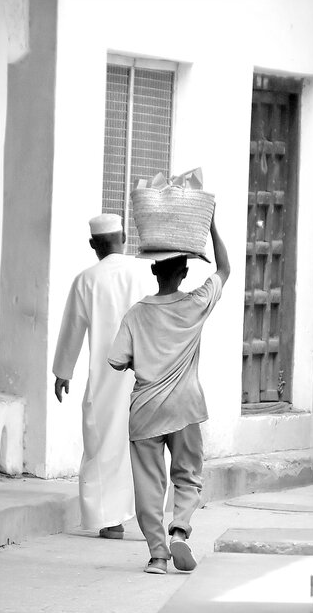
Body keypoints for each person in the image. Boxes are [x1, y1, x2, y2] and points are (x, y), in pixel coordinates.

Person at [108, 217, 230, 573]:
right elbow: (224, 269)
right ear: (184, 273)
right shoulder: (196, 303)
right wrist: (211, 225)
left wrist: (145, 358)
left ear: (154, 271)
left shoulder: (135, 314)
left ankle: (158, 557)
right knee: (188, 476)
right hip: (185, 407)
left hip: (145, 411)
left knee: (149, 486)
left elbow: (116, 360)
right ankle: (179, 531)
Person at [53, 213, 152, 539]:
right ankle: (151, 520)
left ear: (93, 245)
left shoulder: (87, 279)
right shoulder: (143, 272)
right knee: (145, 446)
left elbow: (72, 328)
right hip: (146, 373)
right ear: (123, 239)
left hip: (106, 378)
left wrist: (63, 372)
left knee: (104, 445)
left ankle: (112, 521)